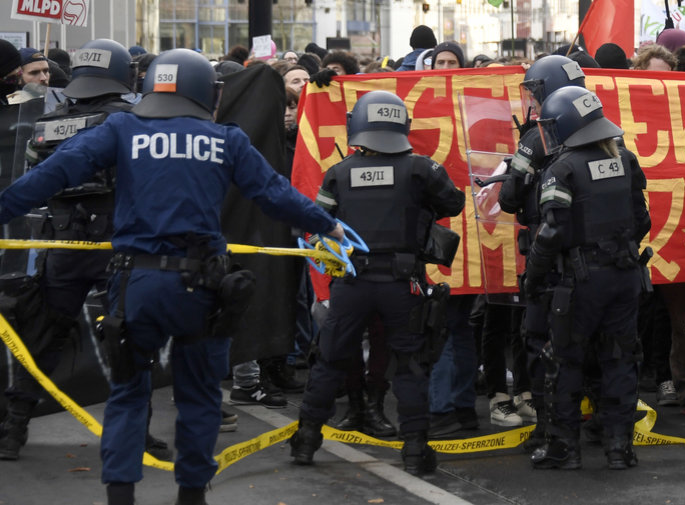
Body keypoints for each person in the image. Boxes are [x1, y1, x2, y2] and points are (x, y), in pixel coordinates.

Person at [0, 47, 341, 505]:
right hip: (201, 288)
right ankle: (191, 495)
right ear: (208, 92)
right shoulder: (227, 139)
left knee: (126, 394)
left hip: (134, 286)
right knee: (199, 397)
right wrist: (328, 223)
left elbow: (52, 174)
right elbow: (274, 194)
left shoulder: (123, 128)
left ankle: (120, 495)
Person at [0, 38, 173, 462]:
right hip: (118, 244)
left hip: (63, 244)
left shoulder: (49, 120)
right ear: (121, 74)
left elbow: (34, 171)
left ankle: (12, 430)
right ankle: (134, 434)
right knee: (128, 339)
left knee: (42, 336)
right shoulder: (131, 120)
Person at [288, 90, 464, 475]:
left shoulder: (338, 172)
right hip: (403, 284)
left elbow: (316, 223)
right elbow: (454, 204)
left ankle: (305, 442)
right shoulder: (422, 169)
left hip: (352, 282)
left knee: (330, 360)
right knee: (409, 366)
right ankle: (416, 451)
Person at [525, 86, 651, 470]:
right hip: (625, 276)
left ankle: (564, 449)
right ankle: (619, 449)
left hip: (580, 282)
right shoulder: (624, 159)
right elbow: (642, 219)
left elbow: (550, 232)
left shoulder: (561, 168)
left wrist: (534, 276)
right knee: (619, 360)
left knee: (565, 361)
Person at [497, 54, 587, 451]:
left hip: (547, 255)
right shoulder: (605, 135)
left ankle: (548, 431)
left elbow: (508, 197)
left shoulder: (536, 138)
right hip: (592, 260)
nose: (531, 102)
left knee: (539, 340)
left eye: (534, 92)